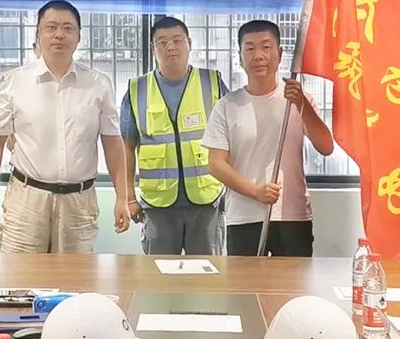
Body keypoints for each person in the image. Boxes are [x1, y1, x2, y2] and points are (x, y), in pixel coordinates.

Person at [0, 0, 130, 253]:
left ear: (79, 37)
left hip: (79, 204)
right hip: (26, 201)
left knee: (75, 276)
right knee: (19, 275)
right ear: (38, 34)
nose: (59, 34)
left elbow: (113, 144)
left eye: (67, 28)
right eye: (51, 27)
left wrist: (122, 198)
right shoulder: (15, 81)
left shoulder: (99, 84)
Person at [202, 20, 334, 256]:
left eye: (266, 47)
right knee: (245, 281)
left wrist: (303, 106)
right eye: (250, 48)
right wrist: (256, 192)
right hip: (244, 217)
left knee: (294, 280)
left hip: (293, 216)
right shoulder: (228, 105)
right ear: (240, 57)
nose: (258, 56)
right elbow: (216, 164)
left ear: (280, 53)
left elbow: (326, 147)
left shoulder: (297, 99)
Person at [120, 16, 230, 255]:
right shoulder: (137, 89)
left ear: (189, 43)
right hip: (158, 204)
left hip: (206, 201)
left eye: (177, 40)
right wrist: (129, 197)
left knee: (206, 272)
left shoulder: (212, 82)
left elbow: (231, 139)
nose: (170, 47)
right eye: (162, 42)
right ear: (153, 48)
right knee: (158, 273)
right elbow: (126, 147)